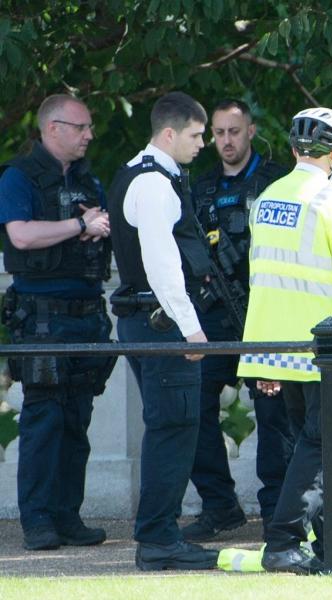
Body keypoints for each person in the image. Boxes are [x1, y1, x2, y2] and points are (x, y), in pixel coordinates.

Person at [236, 107, 332, 575]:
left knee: (314, 449)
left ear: (292, 149)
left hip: (281, 350)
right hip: (329, 355)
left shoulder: (266, 199)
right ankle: (283, 541)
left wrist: (264, 360)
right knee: (321, 450)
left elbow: (261, 281)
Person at [107, 91, 218, 570]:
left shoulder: (137, 173)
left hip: (146, 317)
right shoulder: (153, 184)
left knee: (169, 425)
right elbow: (162, 264)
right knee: (173, 426)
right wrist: (190, 329)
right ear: (169, 134)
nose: (203, 143)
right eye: (196, 135)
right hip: (160, 319)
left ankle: (160, 534)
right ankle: (158, 539)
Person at [0, 94, 114, 551]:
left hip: (86, 314)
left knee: (76, 420)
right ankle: (39, 520)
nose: (89, 135)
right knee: (43, 419)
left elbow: (103, 226)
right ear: (53, 129)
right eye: (81, 127)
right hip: (42, 316)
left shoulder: (89, 180)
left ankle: (68, 516)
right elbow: (22, 235)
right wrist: (77, 225)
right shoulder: (18, 177)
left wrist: (90, 225)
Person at [183, 99, 293, 542]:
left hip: (264, 316)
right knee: (194, 409)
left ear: (251, 130)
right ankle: (220, 505)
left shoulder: (277, 181)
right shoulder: (200, 186)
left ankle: (277, 512)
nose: (226, 141)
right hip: (214, 319)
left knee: (273, 416)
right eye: (219, 133)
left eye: (234, 131)